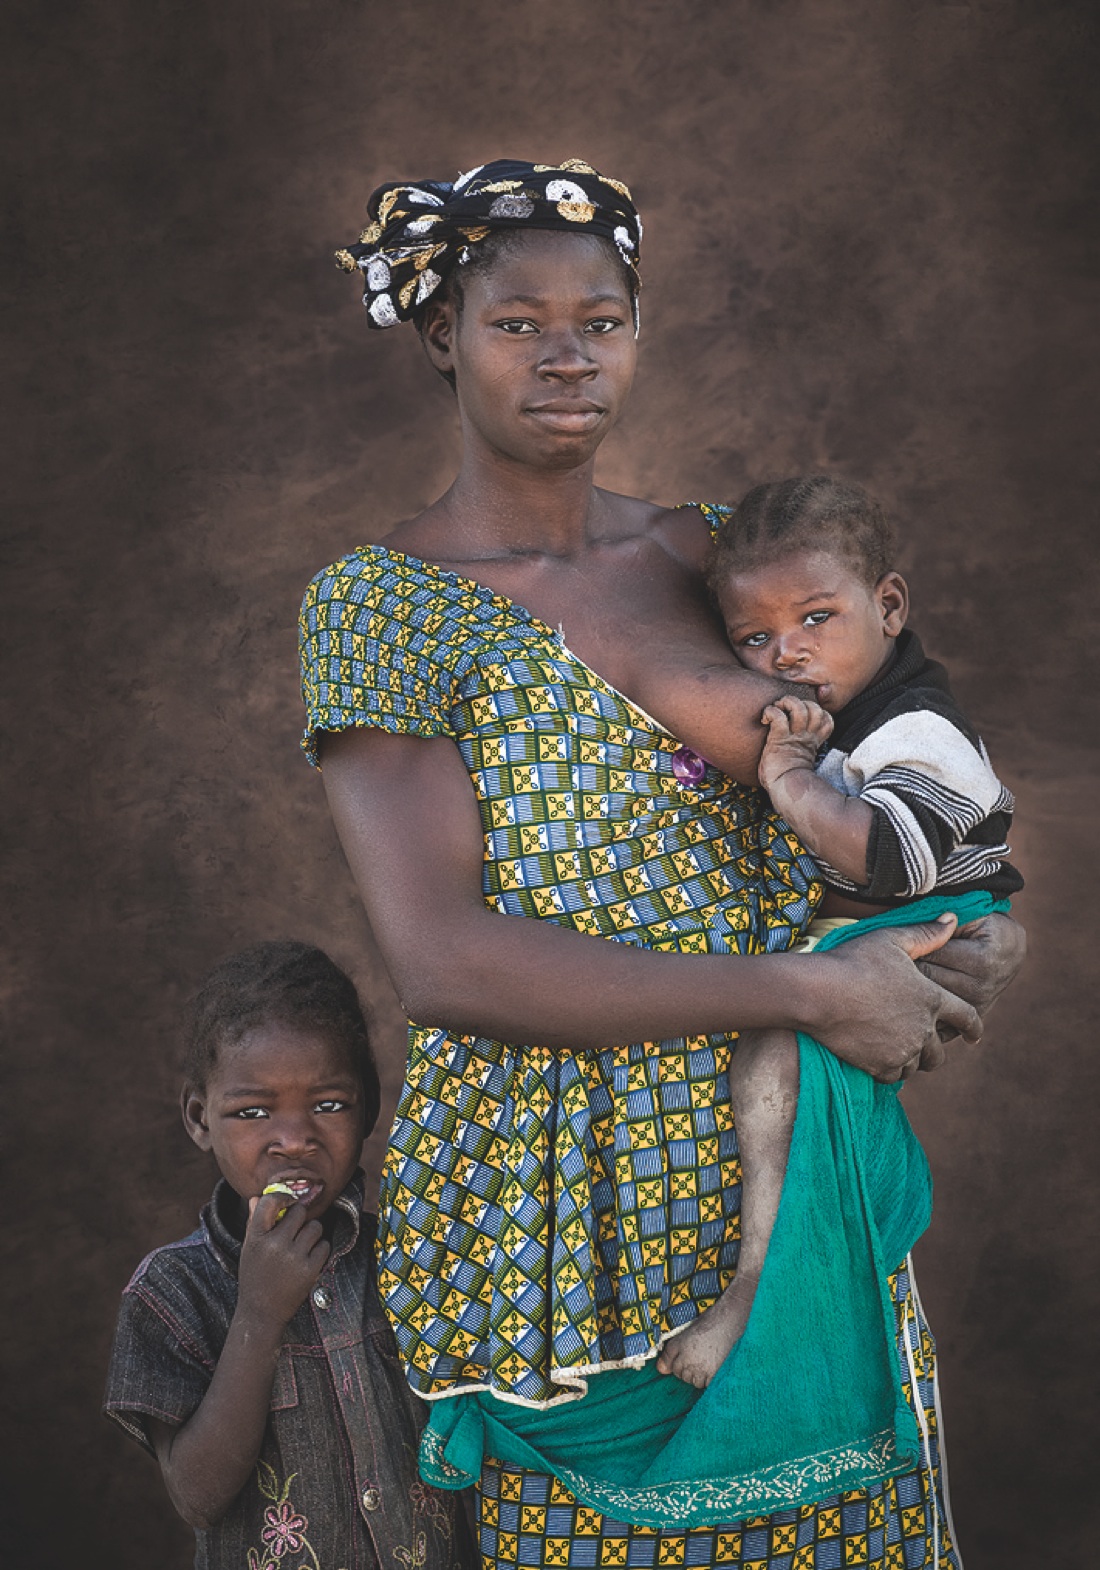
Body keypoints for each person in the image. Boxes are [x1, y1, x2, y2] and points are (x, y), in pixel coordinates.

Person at [301, 159, 1026, 1568]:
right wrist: (816, 993)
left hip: (781, 1170)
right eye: (521, 322)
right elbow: (445, 958)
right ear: (445, 333)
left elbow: (917, 765)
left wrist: (961, 927)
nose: (569, 354)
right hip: (558, 1199)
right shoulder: (382, 606)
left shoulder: (718, 553)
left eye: (604, 317)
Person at [659, 474, 1024, 1388]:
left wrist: (788, 779)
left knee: (773, 1060)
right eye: (755, 637)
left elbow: (882, 859)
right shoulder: (852, 712)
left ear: (888, 604)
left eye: (816, 618)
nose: (786, 652)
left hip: (921, 918)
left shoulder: (918, 728)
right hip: (873, 924)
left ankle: (754, 1295)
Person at [103, 940, 473, 1570]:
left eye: (328, 1105)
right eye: (253, 1111)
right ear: (199, 1118)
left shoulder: (414, 1252)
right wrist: (258, 1313)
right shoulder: (171, 1292)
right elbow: (196, 1495)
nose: (295, 1140)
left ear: (369, 1110)